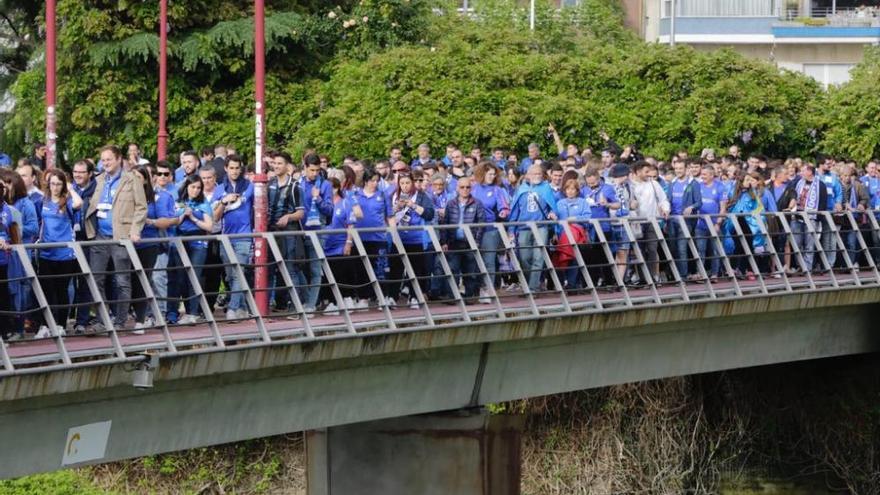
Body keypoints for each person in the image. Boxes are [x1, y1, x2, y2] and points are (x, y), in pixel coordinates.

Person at [84, 145, 148, 332]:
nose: (105, 163)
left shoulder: (131, 179)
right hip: (100, 236)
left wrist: (135, 231)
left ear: (119, 159)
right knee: (96, 279)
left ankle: (120, 321)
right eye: (103, 160)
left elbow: (141, 207)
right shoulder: (99, 180)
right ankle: (103, 319)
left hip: (122, 237)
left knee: (122, 280)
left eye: (109, 159)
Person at [34, 169, 82, 338]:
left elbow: (78, 203)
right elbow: (39, 223)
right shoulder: (43, 201)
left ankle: (61, 324)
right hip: (47, 253)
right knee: (46, 290)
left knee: (62, 290)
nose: (55, 187)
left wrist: (70, 188)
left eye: (58, 184)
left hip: (64, 254)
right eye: (52, 183)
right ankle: (44, 325)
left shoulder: (67, 201)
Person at [131, 165, 177, 333]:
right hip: (129, 242)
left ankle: (147, 318)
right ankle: (136, 315)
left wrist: (148, 221)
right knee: (128, 281)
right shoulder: (127, 195)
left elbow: (170, 220)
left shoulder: (159, 197)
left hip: (149, 242)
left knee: (148, 279)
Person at [167, 174, 214, 324]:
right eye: (193, 187)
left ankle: (193, 312)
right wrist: (183, 215)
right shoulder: (179, 202)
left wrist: (193, 217)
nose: (195, 190)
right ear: (186, 187)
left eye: (198, 188)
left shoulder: (203, 204)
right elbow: (173, 222)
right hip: (180, 240)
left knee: (195, 276)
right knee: (181, 278)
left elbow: (209, 226)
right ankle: (185, 310)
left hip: (198, 242)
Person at [214, 154, 255, 320]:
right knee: (231, 276)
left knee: (239, 272)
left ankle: (232, 308)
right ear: (226, 168)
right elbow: (216, 216)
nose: (234, 171)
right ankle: (243, 307)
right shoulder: (220, 188)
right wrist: (224, 201)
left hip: (245, 235)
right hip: (226, 236)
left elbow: (248, 202)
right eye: (231, 168)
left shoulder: (249, 186)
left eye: (237, 168)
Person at [507, 165, 558, 293]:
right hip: (523, 227)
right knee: (524, 258)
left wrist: (552, 213)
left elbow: (553, 205)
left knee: (538, 257)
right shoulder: (521, 189)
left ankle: (532, 288)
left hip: (541, 227)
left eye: (539, 173)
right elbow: (514, 210)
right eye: (534, 174)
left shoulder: (546, 188)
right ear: (528, 175)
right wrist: (511, 230)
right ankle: (530, 283)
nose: (537, 176)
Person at [387, 173, 434, 308]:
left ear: (412, 183)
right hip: (397, 238)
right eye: (402, 183)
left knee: (416, 269)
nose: (405, 186)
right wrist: (397, 208)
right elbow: (386, 214)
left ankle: (414, 297)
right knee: (396, 268)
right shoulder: (393, 196)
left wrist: (413, 206)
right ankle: (392, 297)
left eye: (407, 183)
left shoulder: (421, 196)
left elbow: (430, 214)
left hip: (415, 238)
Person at [1, 169, 39, 338]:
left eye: (8, 183)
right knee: (9, 292)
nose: (6, 187)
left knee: (20, 291)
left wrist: (14, 233)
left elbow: (33, 228)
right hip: (6, 256)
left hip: (18, 254)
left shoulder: (24, 204)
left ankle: (18, 327)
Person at [321, 166, 363, 314]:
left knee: (341, 272)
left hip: (340, 243)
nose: (330, 191)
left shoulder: (345, 202)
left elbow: (351, 224)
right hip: (326, 243)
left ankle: (343, 300)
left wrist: (348, 242)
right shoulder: (323, 204)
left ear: (338, 188)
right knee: (329, 273)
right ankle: (334, 301)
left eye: (332, 188)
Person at [267, 151, 304, 313]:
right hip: (271, 231)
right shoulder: (269, 184)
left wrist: (288, 217)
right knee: (268, 268)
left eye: (279, 163)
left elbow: (301, 212)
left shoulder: (295, 185)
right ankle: (266, 305)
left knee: (290, 268)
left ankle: (295, 305)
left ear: (287, 166)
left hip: (288, 232)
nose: (276, 166)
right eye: (274, 163)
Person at [299, 154, 334, 314]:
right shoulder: (298, 183)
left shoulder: (325, 185)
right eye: (311, 170)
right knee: (297, 267)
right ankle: (307, 299)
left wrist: (318, 198)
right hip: (300, 230)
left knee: (314, 269)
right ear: (305, 167)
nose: (314, 174)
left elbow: (329, 210)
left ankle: (311, 304)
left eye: (317, 170)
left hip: (318, 232)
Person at [353, 168, 393, 307]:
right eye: (372, 181)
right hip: (360, 237)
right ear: (365, 181)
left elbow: (390, 216)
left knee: (380, 269)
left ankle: (383, 297)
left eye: (377, 181)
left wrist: (392, 234)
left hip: (378, 237)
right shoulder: (356, 195)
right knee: (361, 268)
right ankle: (363, 297)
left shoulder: (383, 195)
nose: (374, 183)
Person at [440, 177, 485, 302]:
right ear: (457, 188)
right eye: (462, 187)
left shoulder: (477, 203)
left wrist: (477, 241)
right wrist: (444, 241)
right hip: (453, 242)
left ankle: (470, 297)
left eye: (468, 187)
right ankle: (452, 296)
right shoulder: (450, 203)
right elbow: (444, 224)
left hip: (470, 242)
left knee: (470, 271)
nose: (465, 189)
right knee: (452, 270)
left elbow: (481, 224)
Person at [470, 163, 510, 303]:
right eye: (489, 174)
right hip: (473, 229)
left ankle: (487, 290)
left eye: (494, 174)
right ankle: (473, 289)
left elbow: (503, 206)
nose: (492, 177)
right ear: (482, 174)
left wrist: (503, 212)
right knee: (473, 261)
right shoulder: (473, 188)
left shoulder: (497, 190)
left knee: (489, 261)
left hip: (490, 229)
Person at [630, 161, 670, 283]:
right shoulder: (630, 185)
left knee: (652, 249)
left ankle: (653, 276)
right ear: (638, 172)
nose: (649, 174)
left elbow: (663, 199)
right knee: (639, 250)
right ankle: (643, 278)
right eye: (646, 172)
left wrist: (666, 209)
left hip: (652, 221)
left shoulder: (654, 184)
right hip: (637, 222)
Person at [70, 159, 98, 334]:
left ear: (89, 174)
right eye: (75, 172)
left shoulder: (97, 190)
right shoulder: (69, 190)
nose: (77, 175)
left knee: (85, 282)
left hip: (88, 240)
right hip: (70, 240)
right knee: (67, 282)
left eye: (81, 172)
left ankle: (82, 320)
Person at [581, 167, 619, 286]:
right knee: (592, 257)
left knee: (606, 255)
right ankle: (592, 283)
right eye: (589, 183)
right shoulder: (583, 190)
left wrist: (607, 204)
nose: (591, 185)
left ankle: (609, 282)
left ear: (598, 178)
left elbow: (617, 204)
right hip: (589, 228)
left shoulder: (607, 188)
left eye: (593, 183)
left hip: (604, 227)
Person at [666, 159, 701, 280]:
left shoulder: (693, 183)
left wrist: (691, 207)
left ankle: (683, 276)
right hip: (671, 220)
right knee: (672, 248)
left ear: (686, 169)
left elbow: (699, 202)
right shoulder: (672, 182)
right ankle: (673, 275)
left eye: (680, 168)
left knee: (682, 248)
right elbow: (667, 200)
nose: (678, 171)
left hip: (685, 221)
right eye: (676, 168)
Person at [790, 165, 828, 273]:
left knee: (809, 244)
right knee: (797, 243)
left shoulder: (820, 185)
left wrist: (818, 218)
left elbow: (823, 203)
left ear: (810, 172)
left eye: (803, 170)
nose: (801, 172)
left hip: (812, 218)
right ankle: (799, 265)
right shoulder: (798, 183)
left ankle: (807, 268)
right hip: (797, 217)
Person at [555, 179, 591, 291]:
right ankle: (564, 283)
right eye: (568, 189)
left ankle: (572, 284)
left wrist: (575, 219)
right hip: (563, 236)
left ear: (577, 190)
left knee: (575, 258)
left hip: (578, 236)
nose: (570, 191)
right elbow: (557, 220)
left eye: (573, 189)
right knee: (563, 258)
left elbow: (587, 217)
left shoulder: (582, 202)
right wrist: (555, 233)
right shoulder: (560, 203)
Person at [696, 164, 728, 280]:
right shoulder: (699, 186)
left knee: (715, 250)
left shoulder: (720, 187)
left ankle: (715, 274)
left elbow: (723, 208)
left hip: (714, 224)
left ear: (711, 175)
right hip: (701, 225)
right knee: (700, 250)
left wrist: (718, 223)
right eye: (701, 174)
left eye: (704, 174)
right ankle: (701, 274)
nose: (702, 176)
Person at [0, 182, 20, 340]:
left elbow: (12, 233)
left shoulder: (7, 210)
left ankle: (6, 330)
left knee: (4, 295)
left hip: (3, 260)